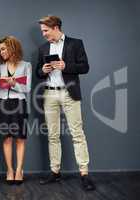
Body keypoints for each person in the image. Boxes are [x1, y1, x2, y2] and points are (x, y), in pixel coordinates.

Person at [36, 15, 95, 191]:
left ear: (55, 27)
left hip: (70, 94)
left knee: (77, 134)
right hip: (50, 94)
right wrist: (43, 70)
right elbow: (38, 72)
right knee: (53, 135)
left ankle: (84, 173)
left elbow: (85, 67)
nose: (44, 34)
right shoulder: (43, 48)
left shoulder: (75, 43)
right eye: (42, 31)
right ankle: (55, 172)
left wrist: (65, 66)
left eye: (45, 30)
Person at [0, 36, 32, 185]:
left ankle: (19, 170)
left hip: (19, 104)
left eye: (3, 49)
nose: (1, 52)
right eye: (0, 50)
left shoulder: (26, 65)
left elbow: (27, 88)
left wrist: (14, 83)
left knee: (20, 138)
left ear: (12, 48)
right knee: (7, 138)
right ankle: (9, 170)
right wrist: (0, 84)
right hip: (3, 103)